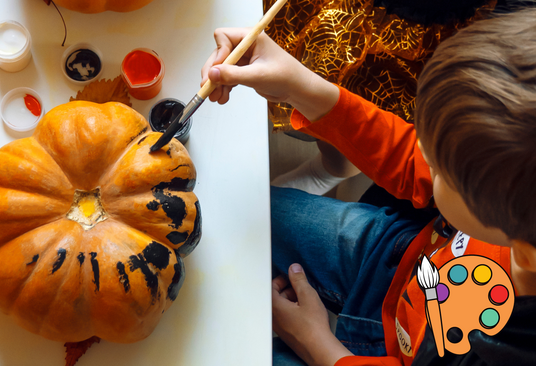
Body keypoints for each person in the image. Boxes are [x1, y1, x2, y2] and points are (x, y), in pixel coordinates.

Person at [200, 8, 536, 366]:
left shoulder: (497, 356)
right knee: (221, 206)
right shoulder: (514, 203)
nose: (421, 150)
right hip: (397, 255)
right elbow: (407, 155)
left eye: (440, 171)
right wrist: (298, 84)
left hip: (376, 354)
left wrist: (315, 343)